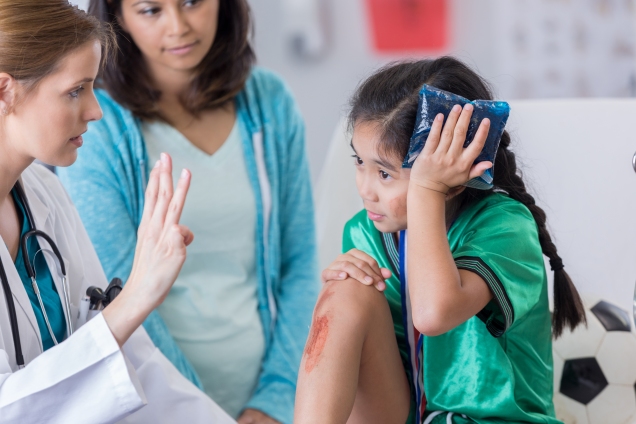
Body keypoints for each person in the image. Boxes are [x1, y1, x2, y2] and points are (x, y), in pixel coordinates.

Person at [57, 0, 318, 422]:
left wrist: (275, 399)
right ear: (118, 17)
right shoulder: (94, 127)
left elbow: (300, 262)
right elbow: (119, 292)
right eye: (150, 10)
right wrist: (202, 410)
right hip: (160, 404)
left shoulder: (270, 103)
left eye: (192, 2)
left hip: (275, 400)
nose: (178, 26)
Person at [294, 57, 587, 424]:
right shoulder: (366, 231)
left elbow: (434, 314)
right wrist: (341, 299)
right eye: (359, 162)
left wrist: (427, 190)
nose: (365, 189)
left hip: (496, 421)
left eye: (384, 173)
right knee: (345, 289)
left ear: (454, 175)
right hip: (405, 413)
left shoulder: (506, 227)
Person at [0, 1, 236, 423]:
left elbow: (130, 363)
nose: (95, 110)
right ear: (5, 90)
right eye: (76, 90)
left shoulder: (45, 194)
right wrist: (136, 297)